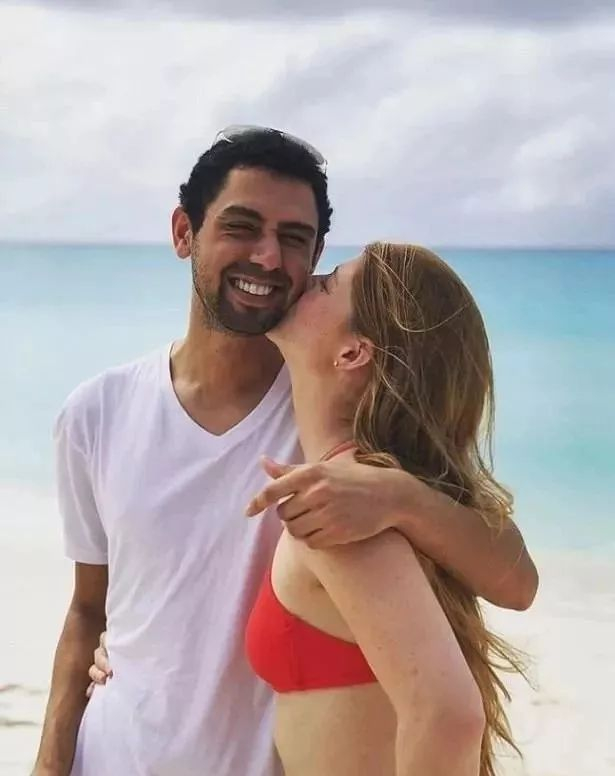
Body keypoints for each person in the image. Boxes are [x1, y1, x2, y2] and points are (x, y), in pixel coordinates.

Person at [33, 126, 537, 776]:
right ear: (184, 232)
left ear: (315, 255)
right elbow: (88, 610)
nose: (269, 258)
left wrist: (400, 497)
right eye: (242, 227)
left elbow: (514, 579)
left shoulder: (340, 424)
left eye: (295, 239)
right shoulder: (95, 413)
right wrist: (49, 764)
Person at [244, 242, 525, 775]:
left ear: (354, 353)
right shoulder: (369, 493)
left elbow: (450, 716)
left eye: (328, 282)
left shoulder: (340, 508)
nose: (309, 280)